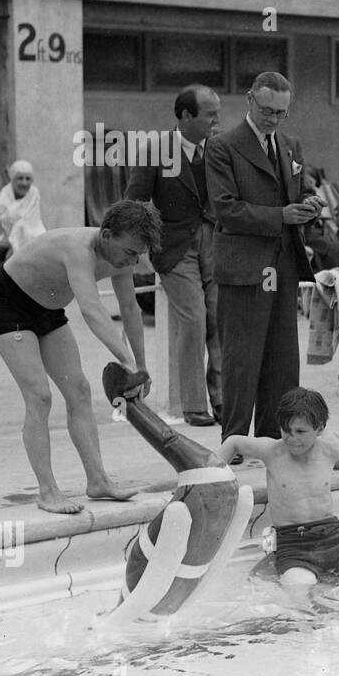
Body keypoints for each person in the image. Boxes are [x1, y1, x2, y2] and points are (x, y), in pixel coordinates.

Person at [0, 200, 161, 512]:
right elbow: (91, 309)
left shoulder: (121, 259)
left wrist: (141, 367)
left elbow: (130, 309)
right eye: (130, 252)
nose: (133, 260)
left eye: (138, 255)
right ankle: (48, 492)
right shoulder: (78, 249)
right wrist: (126, 361)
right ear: (106, 235)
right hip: (6, 305)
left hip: (47, 309)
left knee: (80, 390)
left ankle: (98, 480)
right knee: (39, 396)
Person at [206, 71, 324, 443]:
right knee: (242, 360)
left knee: (283, 359)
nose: (273, 118)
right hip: (244, 267)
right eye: (267, 110)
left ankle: (276, 439)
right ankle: (235, 441)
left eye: (281, 113)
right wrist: (280, 216)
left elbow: (299, 190)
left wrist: (309, 204)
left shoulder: (290, 145)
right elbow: (224, 209)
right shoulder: (223, 146)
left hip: (283, 264)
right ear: (249, 100)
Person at [215, 387, 339, 596]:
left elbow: (335, 455)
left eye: (300, 432)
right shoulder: (272, 451)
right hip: (293, 546)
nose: (292, 438)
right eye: (286, 430)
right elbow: (234, 442)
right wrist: (213, 477)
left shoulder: (330, 449)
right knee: (301, 590)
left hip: (333, 541)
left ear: (319, 429)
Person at [123, 84, 223, 426]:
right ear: (185, 115)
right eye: (210, 114)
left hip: (217, 244)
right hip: (176, 250)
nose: (217, 120)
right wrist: (143, 249)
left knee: (219, 319)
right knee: (194, 320)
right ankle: (194, 406)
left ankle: (223, 400)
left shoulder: (220, 149)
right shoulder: (155, 150)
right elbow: (134, 204)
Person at [0, 159, 47, 286]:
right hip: (0, 234)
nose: (24, 183)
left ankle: (26, 278)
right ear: (12, 180)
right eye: (19, 178)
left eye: (28, 179)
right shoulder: (1, 199)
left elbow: (33, 220)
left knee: (33, 235)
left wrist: (17, 225)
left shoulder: (34, 194)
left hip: (28, 231)